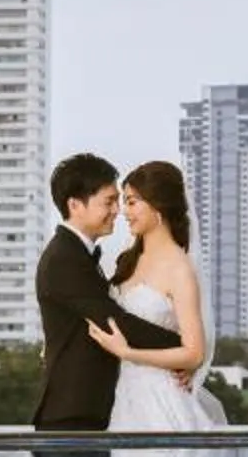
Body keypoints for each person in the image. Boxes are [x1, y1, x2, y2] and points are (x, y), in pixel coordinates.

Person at [33, 153, 184, 433]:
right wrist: (182, 347)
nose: (117, 210)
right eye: (109, 201)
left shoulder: (78, 254)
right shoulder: (64, 258)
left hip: (90, 410)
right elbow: (115, 322)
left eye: (119, 201)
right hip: (72, 414)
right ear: (75, 205)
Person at [83, 160, 227, 436]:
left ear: (158, 205)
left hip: (160, 403)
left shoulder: (179, 268)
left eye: (132, 202)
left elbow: (194, 352)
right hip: (123, 399)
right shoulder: (128, 260)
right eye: (125, 202)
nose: (124, 212)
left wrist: (127, 353)